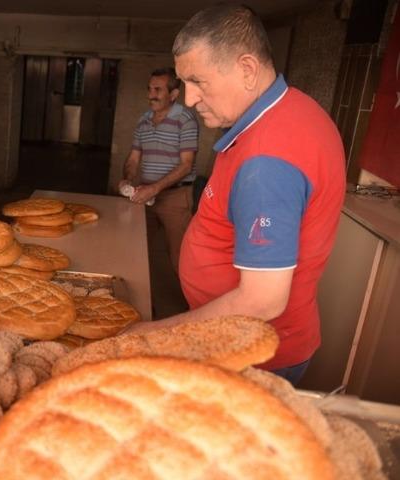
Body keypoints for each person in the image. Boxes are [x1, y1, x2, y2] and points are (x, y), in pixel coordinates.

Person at [127, 5, 346, 386]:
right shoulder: (290, 112)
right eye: (184, 84)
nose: (190, 99)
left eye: (198, 82)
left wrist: (154, 335)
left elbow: (262, 300)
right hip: (244, 339)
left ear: (246, 69)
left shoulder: (267, 157)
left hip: (255, 357)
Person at [118, 67, 198, 274]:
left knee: (179, 256)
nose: (150, 95)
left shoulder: (185, 120)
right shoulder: (143, 120)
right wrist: (127, 179)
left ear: (174, 94)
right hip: (145, 195)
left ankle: (189, 304)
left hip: (176, 197)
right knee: (137, 248)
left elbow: (186, 165)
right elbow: (134, 157)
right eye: (149, 89)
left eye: (157, 90)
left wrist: (154, 189)